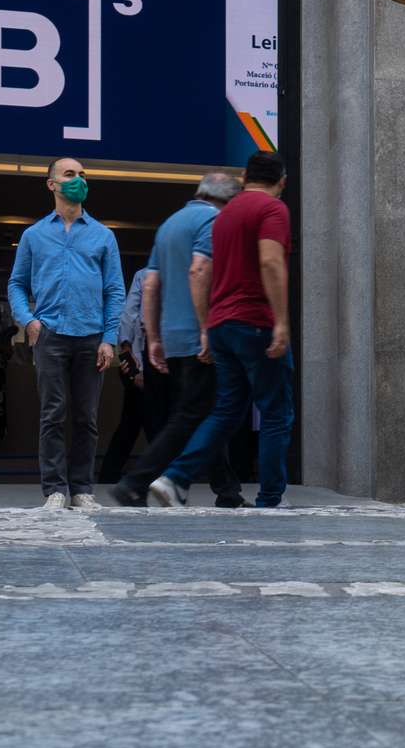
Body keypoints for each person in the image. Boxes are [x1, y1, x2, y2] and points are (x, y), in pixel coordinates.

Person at [152, 152, 294, 509]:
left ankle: (175, 478)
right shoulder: (272, 209)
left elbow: (202, 271)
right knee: (276, 411)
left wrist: (207, 326)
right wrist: (281, 321)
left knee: (227, 410)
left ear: (244, 176)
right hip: (255, 321)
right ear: (283, 181)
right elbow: (270, 261)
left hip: (221, 325)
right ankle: (271, 498)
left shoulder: (223, 215)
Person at [108, 172, 244, 508]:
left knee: (196, 414)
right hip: (199, 338)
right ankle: (142, 482)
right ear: (228, 200)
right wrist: (205, 329)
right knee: (204, 414)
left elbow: (150, 285)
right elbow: (200, 270)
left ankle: (214, 490)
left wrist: (154, 338)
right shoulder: (214, 220)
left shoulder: (170, 224)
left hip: (171, 338)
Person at [7, 156, 123, 511]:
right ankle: (55, 490)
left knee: (87, 418)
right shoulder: (34, 235)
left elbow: (115, 290)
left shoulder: (103, 235)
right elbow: (16, 284)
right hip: (51, 335)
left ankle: (82, 489)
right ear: (52, 184)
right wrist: (28, 321)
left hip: (91, 337)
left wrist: (109, 337)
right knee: (52, 414)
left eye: (82, 175)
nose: (78, 180)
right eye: (69, 174)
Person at [97, 267, 162, 485]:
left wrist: (126, 353)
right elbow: (131, 317)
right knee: (153, 422)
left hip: (137, 360)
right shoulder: (147, 275)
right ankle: (163, 475)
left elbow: (128, 316)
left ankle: (109, 473)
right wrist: (136, 367)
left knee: (132, 423)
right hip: (140, 362)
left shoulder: (144, 274)